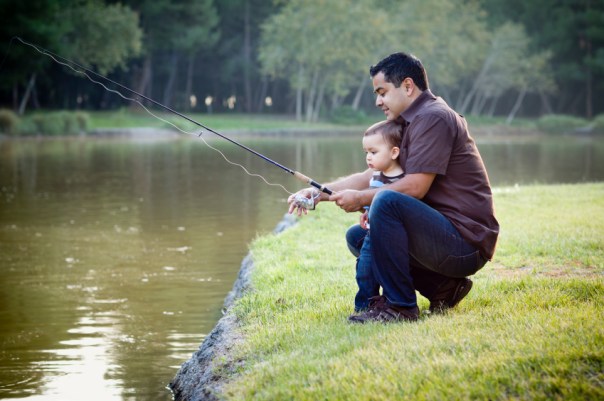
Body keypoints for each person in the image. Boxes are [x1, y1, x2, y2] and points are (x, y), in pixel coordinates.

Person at [288, 52, 499, 323]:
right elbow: (370, 174)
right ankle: (444, 288)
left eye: (382, 92)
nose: (378, 101)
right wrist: (319, 194)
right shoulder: (408, 121)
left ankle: (400, 307)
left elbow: (415, 187)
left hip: (465, 243)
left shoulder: (433, 117)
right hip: (443, 236)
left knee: (386, 202)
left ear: (408, 86)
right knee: (360, 237)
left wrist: (363, 199)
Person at [351, 120, 405, 312]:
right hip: (373, 233)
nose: (368, 158)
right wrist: (366, 211)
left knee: (373, 269)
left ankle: (375, 305)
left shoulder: (402, 180)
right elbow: (375, 202)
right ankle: (365, 306)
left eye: (373, 152)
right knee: (364, 271)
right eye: (366, 153)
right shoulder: (377, 175)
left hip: (390, 237)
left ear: (394, 153)